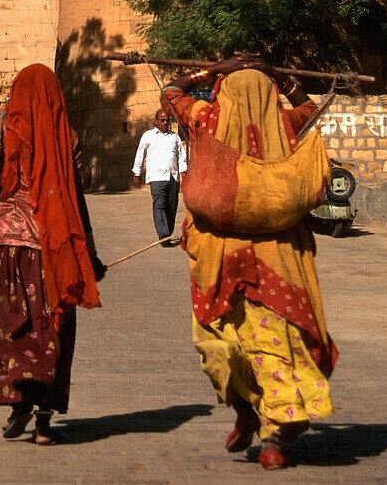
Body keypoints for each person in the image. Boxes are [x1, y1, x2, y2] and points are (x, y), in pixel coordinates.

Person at [154, 52, 337, 470]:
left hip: (222, 259)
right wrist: (278, 77)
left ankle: (244, 412)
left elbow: (169, 94)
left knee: (220, 338)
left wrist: (210, 72)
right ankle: (274, 436)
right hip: (281, 260)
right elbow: (309, 106)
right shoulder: (287, 129)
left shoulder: (206, 119)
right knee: (277, 344)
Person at [0, 63, 105, 444]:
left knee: (13, 322)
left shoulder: (4, 124)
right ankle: (44, 419)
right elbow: (77, 198)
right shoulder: (67, 135)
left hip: (7, 244)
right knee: (52, 325)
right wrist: (89, 253)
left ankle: (19, 403)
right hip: (52, 246)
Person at [131, 107, 187, 244]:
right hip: (156, 178)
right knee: (159, 204)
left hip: (172, 177)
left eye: (167, 120)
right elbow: (140, 154)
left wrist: (183, 172)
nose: (165, 123)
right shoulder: (148, 136)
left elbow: (181, 156)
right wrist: (136, 173)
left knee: (171, 207)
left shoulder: (175, 137)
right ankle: (163, 235)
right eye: (162, 120)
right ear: (156, 121)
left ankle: (167, 232)